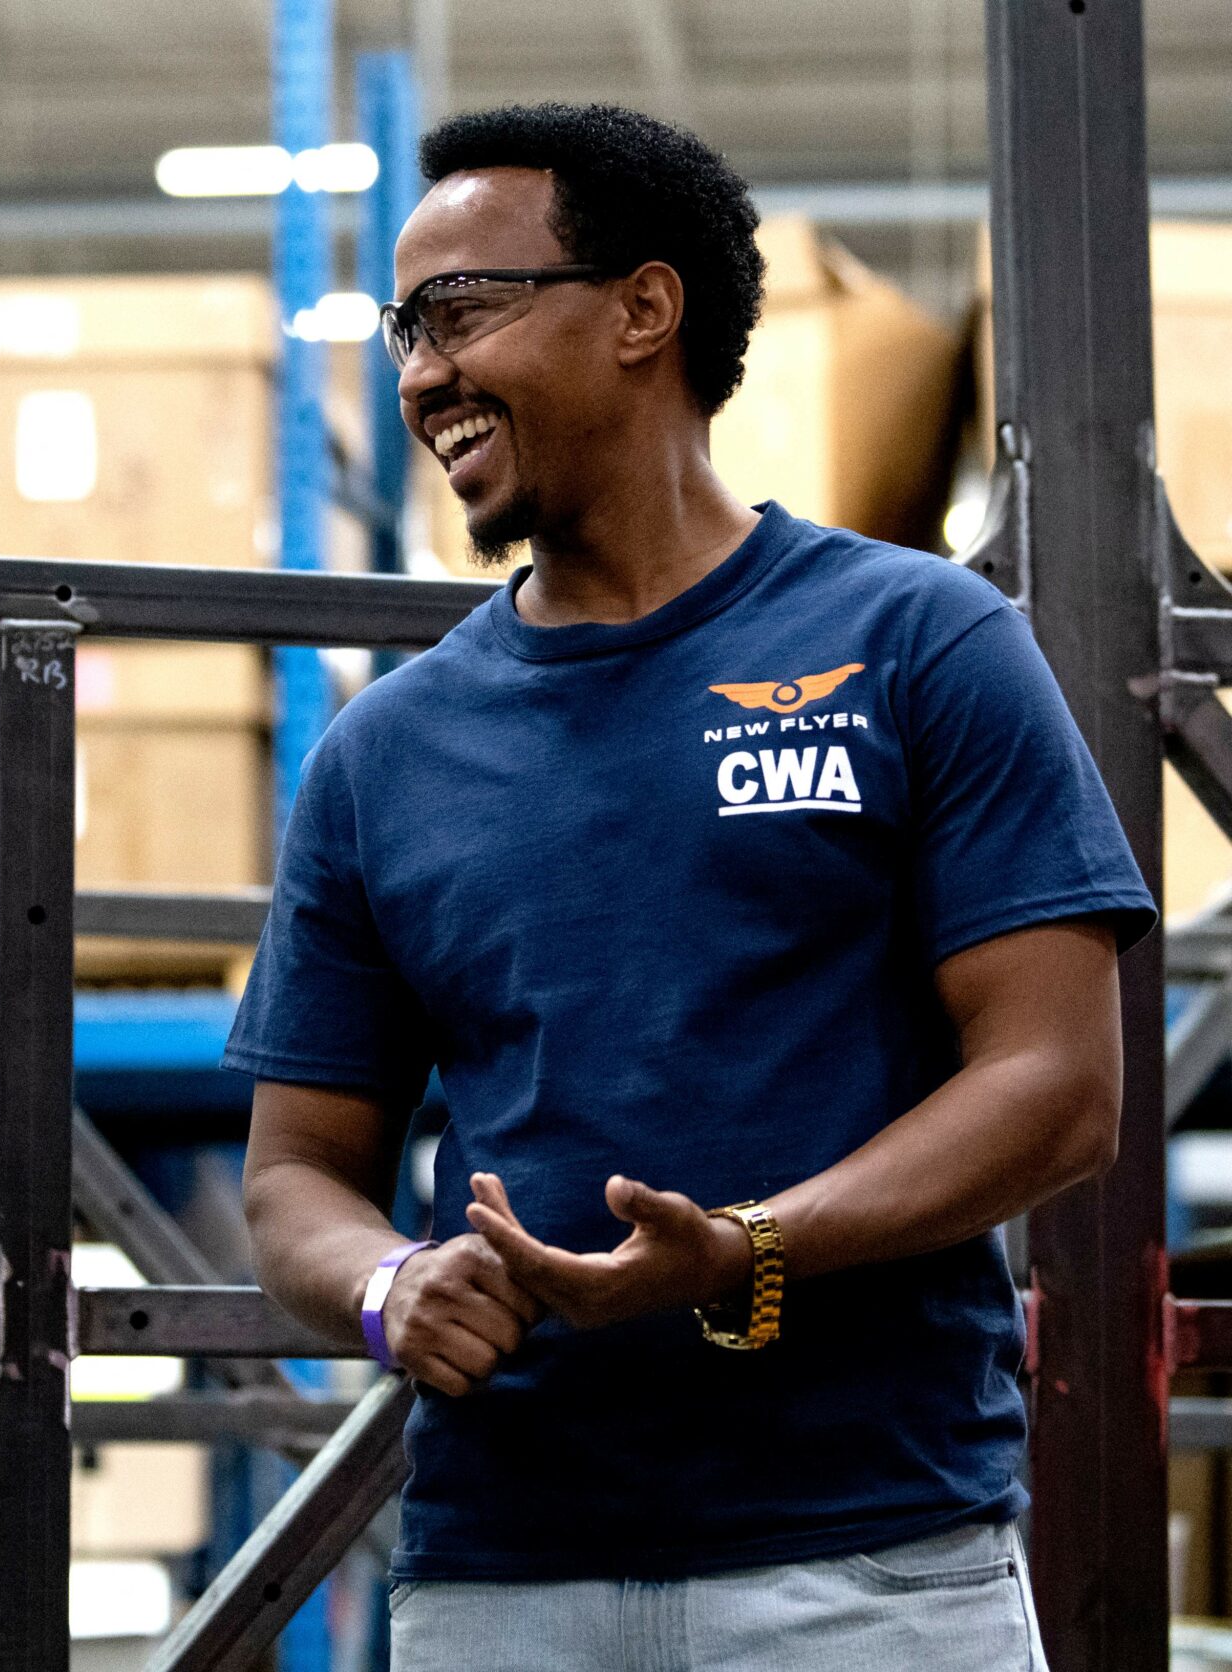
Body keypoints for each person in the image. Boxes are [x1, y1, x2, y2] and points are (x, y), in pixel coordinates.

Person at [229, 103, 1154, 1671]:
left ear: (644, 309)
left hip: (870, 1572)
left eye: (461, 311)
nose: (419, 374)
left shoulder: (920, 642)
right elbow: (290, 1179)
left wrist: (747, 1249)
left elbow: (1060, 1086)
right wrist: (391, 1286)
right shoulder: (388, 749)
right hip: (503, 1579)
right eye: (403, 331)